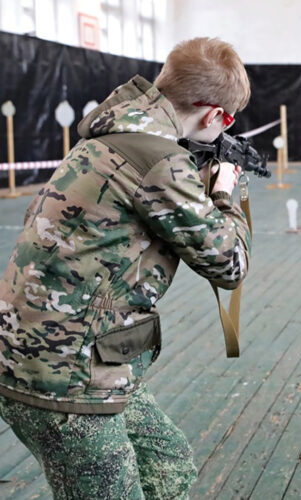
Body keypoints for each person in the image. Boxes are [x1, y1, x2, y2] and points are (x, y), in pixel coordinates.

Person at [0, 37, 251, 499]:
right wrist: (222, 192)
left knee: (168, 463)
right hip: (64, 380)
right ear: (218, 116)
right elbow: (229, 264)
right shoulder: (160, 161)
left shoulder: (116, 131)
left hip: (53, 356)